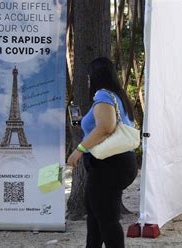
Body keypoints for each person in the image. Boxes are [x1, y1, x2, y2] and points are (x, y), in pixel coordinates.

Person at [67, 57, 137, 248]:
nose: (88, 80)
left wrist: (79, 150)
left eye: (89, 76)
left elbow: (106, 127)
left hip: (109, 164)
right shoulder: (116, 96)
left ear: (95, 76)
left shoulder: (103, 96)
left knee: (106, 219)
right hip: (116, 163)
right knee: (96, 213)